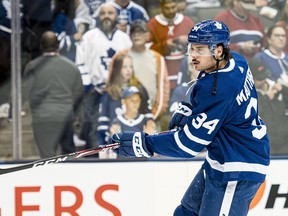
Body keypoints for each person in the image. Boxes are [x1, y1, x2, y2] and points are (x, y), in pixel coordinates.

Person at [110, 20, 270, 215]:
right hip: (223, 157)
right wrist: (190, 105)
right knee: (186, 212)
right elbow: (210, 91)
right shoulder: (237, 60)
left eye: (200, 49)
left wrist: (143, 143)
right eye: (191, 48)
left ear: (218, 51)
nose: (193, 55)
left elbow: (188, 145)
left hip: (237, 167)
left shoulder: (218, 89)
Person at [75, 3, 132, 151]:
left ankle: (118, 154)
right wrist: (88, 85)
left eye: (110, 13)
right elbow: (80, 62)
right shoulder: (89, 37)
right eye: (103, 13)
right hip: (94, 90)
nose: (106, 16)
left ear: (116, 16)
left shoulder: (124, 38)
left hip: (118, 90)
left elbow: (130, 64)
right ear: (98, 16)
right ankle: (94, 156)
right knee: (91, 124)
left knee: (117, 123)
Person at [22, 31, 83, 158]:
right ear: (58, 46)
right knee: (69, 154)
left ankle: (50, 178)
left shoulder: (33, 66)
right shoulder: (72, 67)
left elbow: (24, 92)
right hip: (65, 115)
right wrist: (75, 115)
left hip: (42, 116)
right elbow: (79, 94)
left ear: (40, 46)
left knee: (47, 158)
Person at [112, 19, 170, 123]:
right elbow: (112, 84)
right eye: (134, 32)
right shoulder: (120, 57)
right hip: (122, 117)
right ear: (129, 35)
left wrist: (153, 116)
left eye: (141, 32)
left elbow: (163, 89)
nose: (136, 35)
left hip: (149, 116)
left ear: (148, 35)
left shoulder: (157, 58)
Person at [97, 53, 152, 145]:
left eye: (131, 66)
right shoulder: (109, 92)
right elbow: (103, 122)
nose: (128, 70)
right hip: (116, 139)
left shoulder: (140, 89)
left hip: (137, 138)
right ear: (117, 69)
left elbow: (148, 116)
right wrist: (103, 143)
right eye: (124, 67)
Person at [147, 0, 195, 90]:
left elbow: (200, 45)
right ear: (161, 8)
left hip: (184, 72)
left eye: (173, 7)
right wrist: (164, 46)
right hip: (162, 71)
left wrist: (188, 41)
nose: (171, 11)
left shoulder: (187, 22)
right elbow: (146, 51)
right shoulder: (153, 24)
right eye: (167, 8)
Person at [103, 86, 156, 159]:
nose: (135, 103)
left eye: (137, 100)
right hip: (122, 165)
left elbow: (155, 153)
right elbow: (108, 153)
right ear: (123, 101)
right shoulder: (117, 122)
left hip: (142, 164)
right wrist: (113, 140)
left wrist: (150, 140)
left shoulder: (146, 122)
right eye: (132, 100)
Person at [250, 58, 288, 155]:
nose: (263, 80)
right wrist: (266, 97)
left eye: (264, 76)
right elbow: (253, 115)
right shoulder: (249, 96)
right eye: (259, 79)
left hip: (285, 143)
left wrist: (283, 89)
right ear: (251, 78)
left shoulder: (277, 87)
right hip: (266, 146)